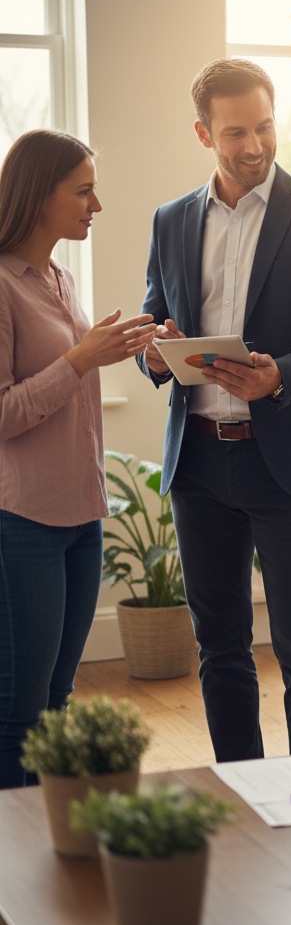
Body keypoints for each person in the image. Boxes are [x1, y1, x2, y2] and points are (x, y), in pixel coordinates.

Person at [138, 59, 291, 763]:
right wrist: (154, 355)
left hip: (290, 460)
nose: (255, 146)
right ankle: (240, 795)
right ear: (203, 133)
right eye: (235, 132)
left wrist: (282, 376)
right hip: (199, 461)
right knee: (219, 648)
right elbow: (156, 318)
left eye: (265, 127)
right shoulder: (171, 220)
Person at [0, 130, 158, 788]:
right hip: (23, 522)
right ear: (40, 195)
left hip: (80, 517)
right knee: (21, 712)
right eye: (84, 191)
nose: (97, 205)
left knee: (59, 700)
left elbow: (72, 377)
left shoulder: (61, 278)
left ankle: (54, 836)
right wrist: (79, 359)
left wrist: (126, 347)